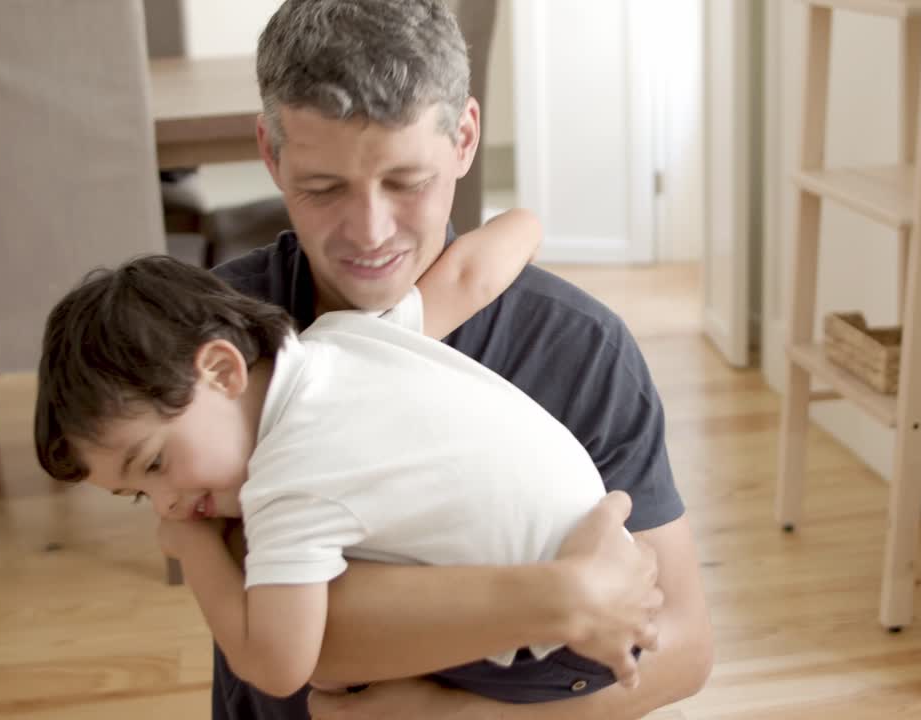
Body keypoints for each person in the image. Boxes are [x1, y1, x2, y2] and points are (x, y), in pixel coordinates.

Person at [208, 0, 712, 716]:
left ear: (465, 137)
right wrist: (565, 597)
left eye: (406, 182)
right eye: (323, 189)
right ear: (270, 153)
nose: (370, 231)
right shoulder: (221, 344)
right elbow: (299, 642)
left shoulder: (578, 348)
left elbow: (685, 648)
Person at [34, 212, 659, 701]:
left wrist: (194, 548)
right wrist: (525, 222)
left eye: (153, 465)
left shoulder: (289, 481)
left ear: (222, 369)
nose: (167, 505)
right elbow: (476, 273)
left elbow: (275, 666)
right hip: (613, 552)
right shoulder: (344, 337)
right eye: (141, 496)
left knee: (315, 652)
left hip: (568, 648)